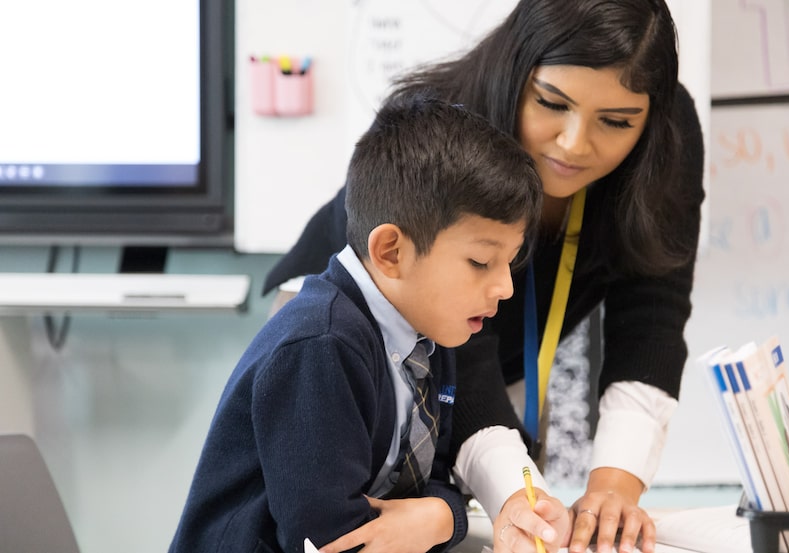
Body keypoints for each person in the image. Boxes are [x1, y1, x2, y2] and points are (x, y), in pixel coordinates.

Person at [262, 1, 706, 552]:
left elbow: (653, 314)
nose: (574, 143)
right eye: (552, 103)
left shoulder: (667, 136)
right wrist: (508, 503)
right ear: (516, 69)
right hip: (348, 351)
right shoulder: (448, 128)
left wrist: (612, 487)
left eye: (615, 122)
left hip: (445, 357)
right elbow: (324, 532)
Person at [168, 95, 559, 553]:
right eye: (480, 262)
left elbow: (425, 483)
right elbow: (334, 542)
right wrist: (447, 514)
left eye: (507, 265)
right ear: (391, 251)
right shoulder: (322, 345)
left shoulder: (428, 331)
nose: (504, 289)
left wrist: (440, 512)